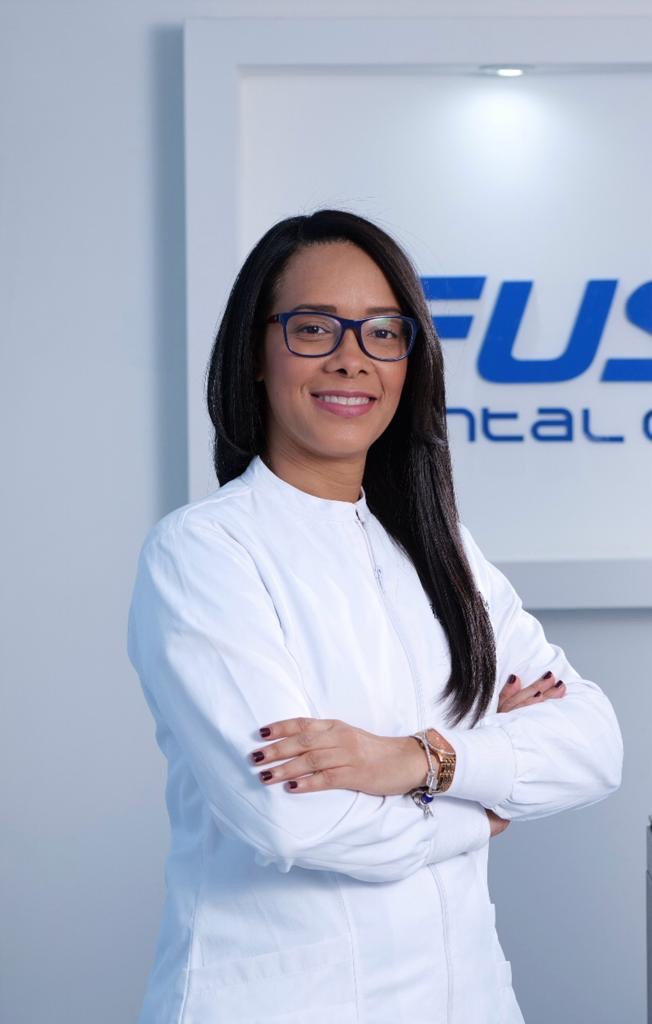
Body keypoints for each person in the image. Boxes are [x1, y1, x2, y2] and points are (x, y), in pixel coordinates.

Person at [126, 209, 623, 1024]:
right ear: (254, 353)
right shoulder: (205, 552)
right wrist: (485, 805)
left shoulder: (442, 551)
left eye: (384, 332)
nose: (352, 358)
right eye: (314, 328)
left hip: (469, 999)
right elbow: (293, 818)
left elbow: (596, 744)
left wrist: (413, 762)